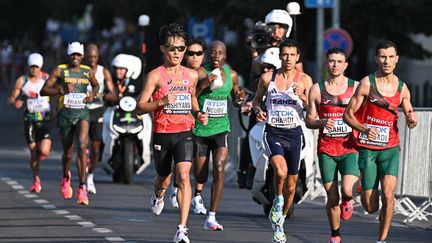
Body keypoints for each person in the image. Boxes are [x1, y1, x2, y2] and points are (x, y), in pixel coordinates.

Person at [135, 23, 207, 243]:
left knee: (184, 176)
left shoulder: (192, 75)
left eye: (181, 48)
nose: (177, 53)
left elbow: (192, 97)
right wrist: (162, 101)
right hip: (162, 133)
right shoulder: (155, 76)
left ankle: (182, 229)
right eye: (172, 48)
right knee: (163, 179)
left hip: (184, 131)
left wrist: (198, 113)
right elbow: (139, 107)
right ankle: (158, 194)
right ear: (163, 49)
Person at [343, 40, 417, 243]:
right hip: (368, 149)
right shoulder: (367, 83)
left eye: (390, 56)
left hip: (390, 148)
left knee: (389, 195)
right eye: (382, 56)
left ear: (397, 59)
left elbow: (409, 110)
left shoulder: (402, 88)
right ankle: (359, 185)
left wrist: (411, 118)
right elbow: (348, 116)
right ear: (376, 58)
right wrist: (365, 128)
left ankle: (381, 240)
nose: (386, 61)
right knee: (371, 206)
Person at [252, 40, 312, 243]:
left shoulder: (304, 80)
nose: (288, 58)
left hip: (294, 134)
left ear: (297, 57)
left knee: (292, 186)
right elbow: (256, 102)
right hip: (273, 132)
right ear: (280, 56)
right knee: (280, 171)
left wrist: (302, 96)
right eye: (284, 54)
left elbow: (313, 107)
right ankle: (277, 201)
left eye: (292, 55)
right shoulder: (268, 78)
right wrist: (259, 111)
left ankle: (280, 223)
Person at [306, 47, 359, 243]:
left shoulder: (356, 87)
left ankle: (349, 199)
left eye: (339, 61)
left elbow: (366, 114)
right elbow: (309, 120)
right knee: (332, 196)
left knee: (346, 190)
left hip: (349, 147)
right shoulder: (316, 89)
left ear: (345, 65)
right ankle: (335, 234)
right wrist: (321, 122)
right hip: (326, 149)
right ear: (326, 63)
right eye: (331, 61)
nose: (335, 65)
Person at [190, 40, 245, 230]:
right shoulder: (200, 73)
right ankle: (197, 195)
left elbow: (236, 98)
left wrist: (239, 98)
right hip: (201, 130)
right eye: (213, 53)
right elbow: (191, 97)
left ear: (225, 56)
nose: (216, 56)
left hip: (221, 128)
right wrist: (203, 85)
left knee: (220, 167)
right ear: (208, 55)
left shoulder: (232, 75)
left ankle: (211, 217)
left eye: (220, 53)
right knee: (201, 175)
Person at [41, 42, 99, 206]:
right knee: (68, 152)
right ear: (69, 55)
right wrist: (61, 90)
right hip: (65, 114)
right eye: (73, 54)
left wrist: (92, 96)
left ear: (82, 56)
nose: (75, 57)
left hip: (82, 113)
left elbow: (96, 85)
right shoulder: (60, 70)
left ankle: (82, 188)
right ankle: (66, 176)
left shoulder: (87, 71)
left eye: (78, 55)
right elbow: (44, 90)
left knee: (82, 146)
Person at [169, 36, 207, 209]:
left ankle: (197, 196)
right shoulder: (180, 73)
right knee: (181, 163)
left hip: (202, 125)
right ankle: (175, 188)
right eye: (190, 53)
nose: (194, 57)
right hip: (181, 124)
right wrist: (203, 86)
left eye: (198, 53)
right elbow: (192, 96)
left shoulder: (208, 73)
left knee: (199, 162)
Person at [8, 53, 52, 193]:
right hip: (30, 120)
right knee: (33, 153)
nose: (34, 69)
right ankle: (36, 180)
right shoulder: (22, 80)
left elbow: (56, 93)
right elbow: (13, 97)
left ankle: (40, 154)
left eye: (36, 67)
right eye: (32, 66)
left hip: (44, 119)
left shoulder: (47, 78)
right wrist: (16, 102)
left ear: (41, 67)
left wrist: (56, 108)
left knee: (44, 150)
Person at [85, 43, 117, 194]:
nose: (92, 60)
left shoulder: (103, 72)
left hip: (98, 111)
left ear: (98, 57)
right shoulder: (80, 71)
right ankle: (82, 174)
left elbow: (114, 94)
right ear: (85, 57)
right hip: (82, 112)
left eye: (95, 57)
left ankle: (90, 177)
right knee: (82, 144)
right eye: (90, 57)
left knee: (96, 150)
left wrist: (102, 95)